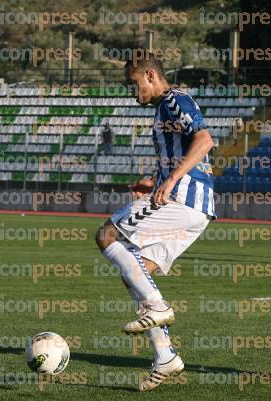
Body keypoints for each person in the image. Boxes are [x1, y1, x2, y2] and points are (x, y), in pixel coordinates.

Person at [95, 54, 215, 392]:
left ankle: (160, 306)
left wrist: (172, 179)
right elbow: (181, 152)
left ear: (150, 75)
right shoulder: (163, 110)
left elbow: (204, 140)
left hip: (184, 199)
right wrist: (156, 179)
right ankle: (165, 354)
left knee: (106, 235)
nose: (133, 92)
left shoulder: (175, 100)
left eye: (135, 84)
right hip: (194, 209)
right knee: (136, 272)